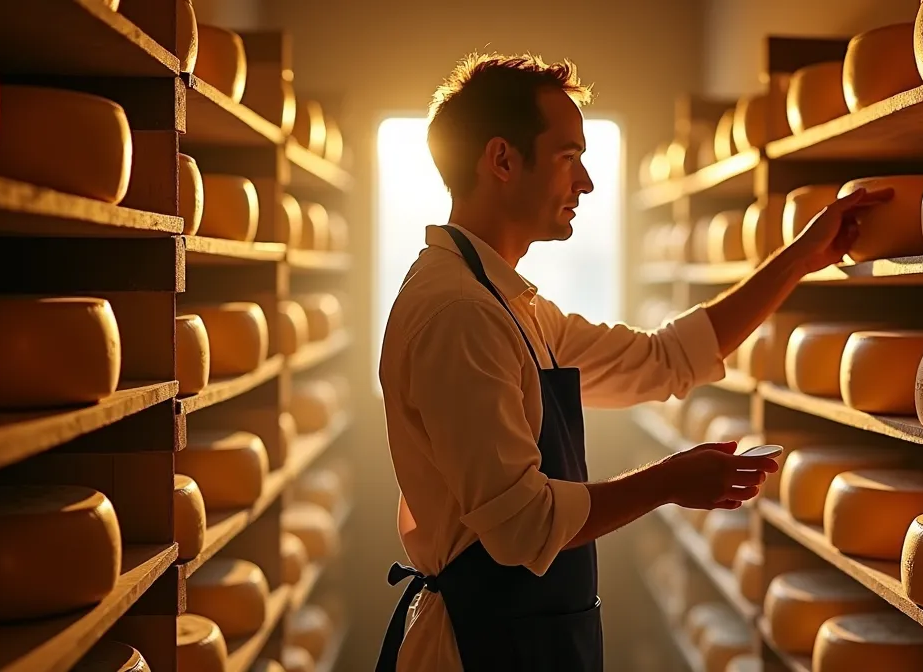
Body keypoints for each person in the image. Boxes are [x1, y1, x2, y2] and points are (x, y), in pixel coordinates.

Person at [375, 53, 892, 672]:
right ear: (503, 161)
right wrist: (670, 482)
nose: (586, 183)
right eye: (570, 158)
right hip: (477, 647)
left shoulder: (511, 305)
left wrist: (801, 257)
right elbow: (524, 526)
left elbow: (665, 359)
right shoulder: (460, 313)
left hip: (524, 633)